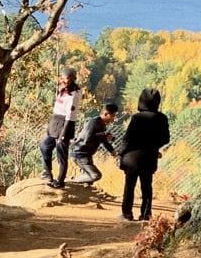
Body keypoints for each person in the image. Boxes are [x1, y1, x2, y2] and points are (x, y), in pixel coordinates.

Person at [115, 88, 170, 222]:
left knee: (129, 186)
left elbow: (128, 138)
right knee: (147, 187)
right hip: (149, 157)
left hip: (132, 158)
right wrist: (154, 147)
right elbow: (166, 139)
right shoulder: (162, 118)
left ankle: (127, 213)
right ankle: (145, 214)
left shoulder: (137, 118)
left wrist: (120, 152)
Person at [40, 68, 83, 188]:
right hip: (55, 121)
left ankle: (60, 180)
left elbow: (70, 115)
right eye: (62, 77)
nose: (64, 80)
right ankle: (47, 173)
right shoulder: (62, 89)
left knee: (61, 154)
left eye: (67, 78)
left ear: (73, 79)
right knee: (44, 146)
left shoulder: (74, 93)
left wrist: (63, 133)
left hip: (65, 123)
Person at [69, 102, 118, 185]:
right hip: (80, 154)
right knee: (96, 175)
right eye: (112, 116)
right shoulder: (94, 122)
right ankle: (73, 181)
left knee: (89, 181)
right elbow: (87, 139)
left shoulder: (102, 125)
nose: (113, 118)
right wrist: (104, 135)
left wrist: (112, 151)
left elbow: (103, 141)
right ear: (106, 114)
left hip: (87, 155)